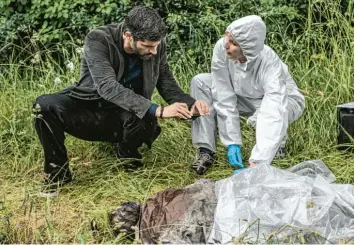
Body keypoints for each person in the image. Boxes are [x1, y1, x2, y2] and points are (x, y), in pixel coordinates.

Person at [33, 6, 209, 197]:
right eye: (148, 46)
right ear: (128, 36)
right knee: (43, 106)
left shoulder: (156, 47)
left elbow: (166, 83)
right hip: (89, 110)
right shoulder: (98, 39)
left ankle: (128, 159)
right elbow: (107, 86)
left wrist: (192, 104)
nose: (154, 51)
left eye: (156, 45)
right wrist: (159, 110)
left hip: (125, 116)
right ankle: (58, 174)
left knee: (144, 114)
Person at [190, 15, 305, 175]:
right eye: (227, 38)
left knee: (264, 118)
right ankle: (206, 150)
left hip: (283, 100)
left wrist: (257, 163)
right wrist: (232, 142)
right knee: (200, 82)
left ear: (247, 47)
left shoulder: (269, 63)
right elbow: (223, 94)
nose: (226, 46)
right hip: (243, 95)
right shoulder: (222, 48)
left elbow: (273, 109)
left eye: (233, 43)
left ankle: (276, 147)